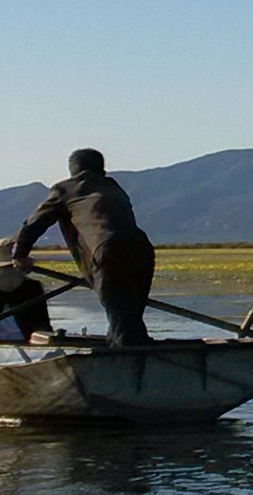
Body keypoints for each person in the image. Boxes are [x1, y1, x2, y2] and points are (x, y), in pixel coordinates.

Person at [15, 147, 155, 347]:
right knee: (129, 315)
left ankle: (123, 360)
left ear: (72, 171)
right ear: (102, 170)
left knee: (121, 316)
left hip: (108, 249)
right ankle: (128, 347)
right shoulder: (113, 187)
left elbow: (35, 223)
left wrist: (20, 255)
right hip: (142, 248)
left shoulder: (65, 189)